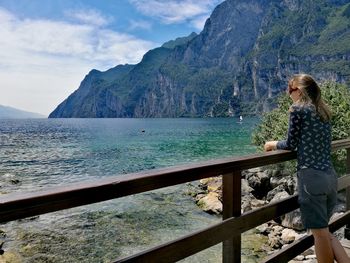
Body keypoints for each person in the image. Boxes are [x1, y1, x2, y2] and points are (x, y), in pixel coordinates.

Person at [264, 74, 350, 263]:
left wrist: (271, 144)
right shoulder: (323, 110)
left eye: (290, 90)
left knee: (319, 235)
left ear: (300, 90)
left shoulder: (297, 109)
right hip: (330, 177)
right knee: (325, 232)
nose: (288, 94)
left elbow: (291, 143)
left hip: (311, 179)